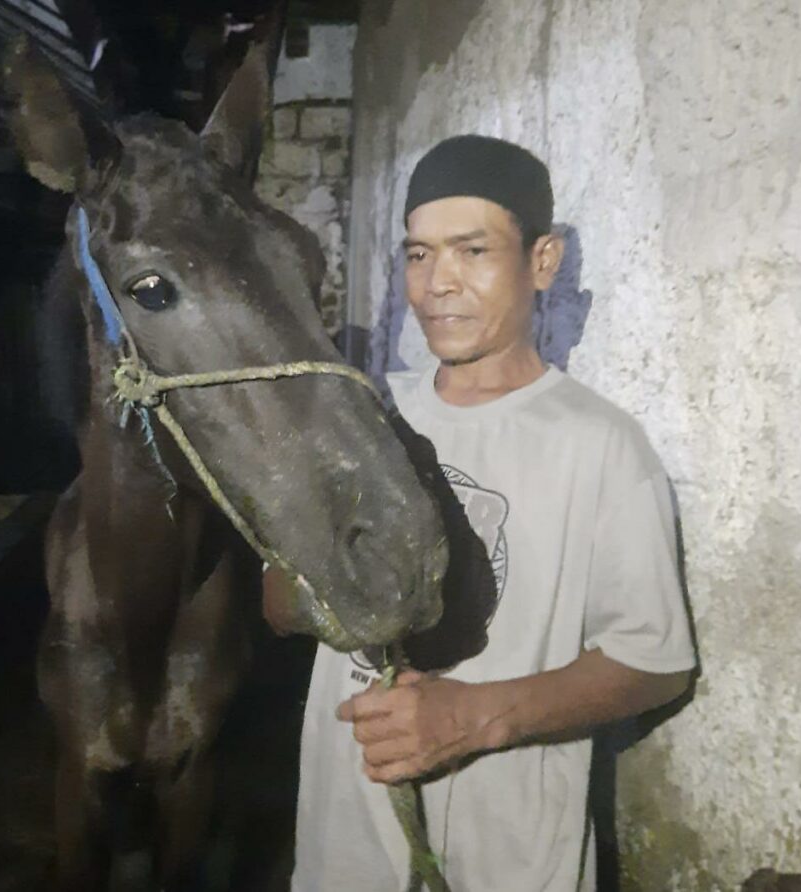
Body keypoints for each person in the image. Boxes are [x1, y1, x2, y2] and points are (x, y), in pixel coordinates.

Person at [284, 135, 696, 891]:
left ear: (542, 261)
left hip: (509, 852)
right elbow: (280, 606)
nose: (437, 283)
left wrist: (476, 715)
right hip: (348, 837)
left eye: (472, 251)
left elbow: (654, 664)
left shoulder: (599, 445)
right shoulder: (365, 418)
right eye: (418, 254)